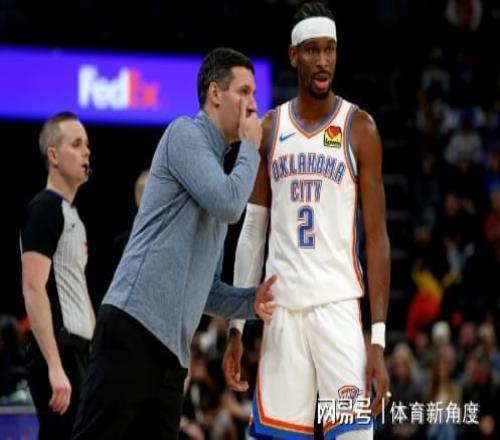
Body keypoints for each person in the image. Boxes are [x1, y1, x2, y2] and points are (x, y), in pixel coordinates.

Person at [71, 47, 277, 440]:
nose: (253, 105)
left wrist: (250, 301)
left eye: (254, 94)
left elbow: (206, 290)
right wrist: (251, 149)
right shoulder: (185, 133)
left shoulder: (219, 175)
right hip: (133, 328)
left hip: (171, 355)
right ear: (215, 93)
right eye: (244, 92)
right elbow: (230, 204)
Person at [223, 2, 391, 438]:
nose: (323, 61)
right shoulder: (270, 128)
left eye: (329, 50)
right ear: (294, 55)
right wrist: (236, 327)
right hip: (283, 312)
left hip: (338, 309)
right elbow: (253, 231)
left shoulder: (360, 128)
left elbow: (377, 239)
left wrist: (377, 340)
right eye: (312, 50)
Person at [20, 111, 94, 439]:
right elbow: (33, 288)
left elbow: (79, 288)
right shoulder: (44, 209)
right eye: (76, 145)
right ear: (53, 155)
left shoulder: (71, 214)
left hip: (80, 354)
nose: (86, 152)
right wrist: (54, 366)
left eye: (87, 144)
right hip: (60, 355)